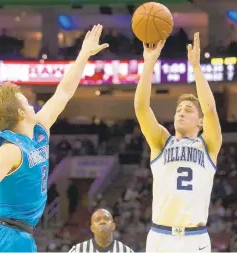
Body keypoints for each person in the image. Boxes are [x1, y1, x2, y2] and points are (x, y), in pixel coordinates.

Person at [0, 24, 109, 252]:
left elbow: (63, 92)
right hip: (3, 235)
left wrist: (84, 54)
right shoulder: (10, 149)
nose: (31, 102)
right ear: (21, 113)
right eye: (26, 100)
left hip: (23, 235)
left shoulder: (39, 131)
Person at [134, 33, 222, 252]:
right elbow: (141, 108)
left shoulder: (209, 145)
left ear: (200, 121)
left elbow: (210, 110)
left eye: (188, 110)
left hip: (195, 238)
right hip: (160, 236)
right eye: (178, 110)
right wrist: (149, 63)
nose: (181, 114)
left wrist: (196, 68)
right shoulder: (161, 141)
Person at [68, 209, 134, 253]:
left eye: (106, 219)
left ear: (113, 226)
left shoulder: (125, 251)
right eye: (97, 220)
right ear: (92, 228)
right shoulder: (78, 250)